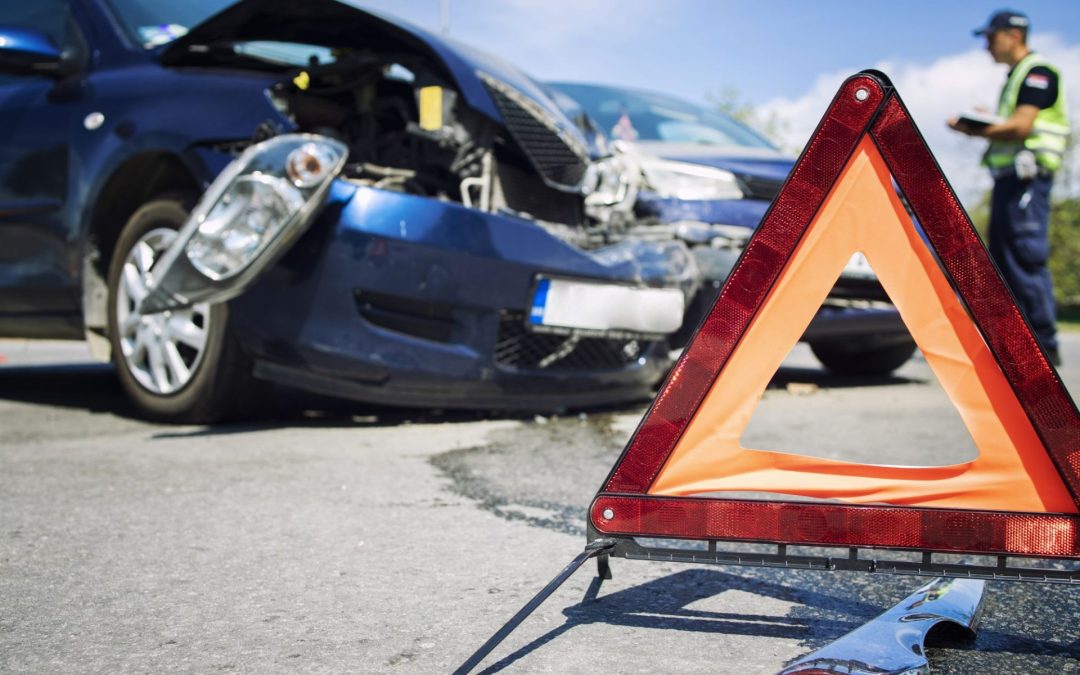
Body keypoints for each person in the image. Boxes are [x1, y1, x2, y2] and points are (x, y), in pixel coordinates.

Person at [948, 9, 1070, 366]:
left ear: (1013, 36)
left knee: (1024, 257)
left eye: (990, 37)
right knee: (1004, 259)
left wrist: (975, 129)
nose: (987, 45)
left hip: (1027, 181)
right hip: (1011, 182)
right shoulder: (1017, 76)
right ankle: (1018, 347)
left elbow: (1020, 127)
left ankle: (1043, 348)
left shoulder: (1037, 73)